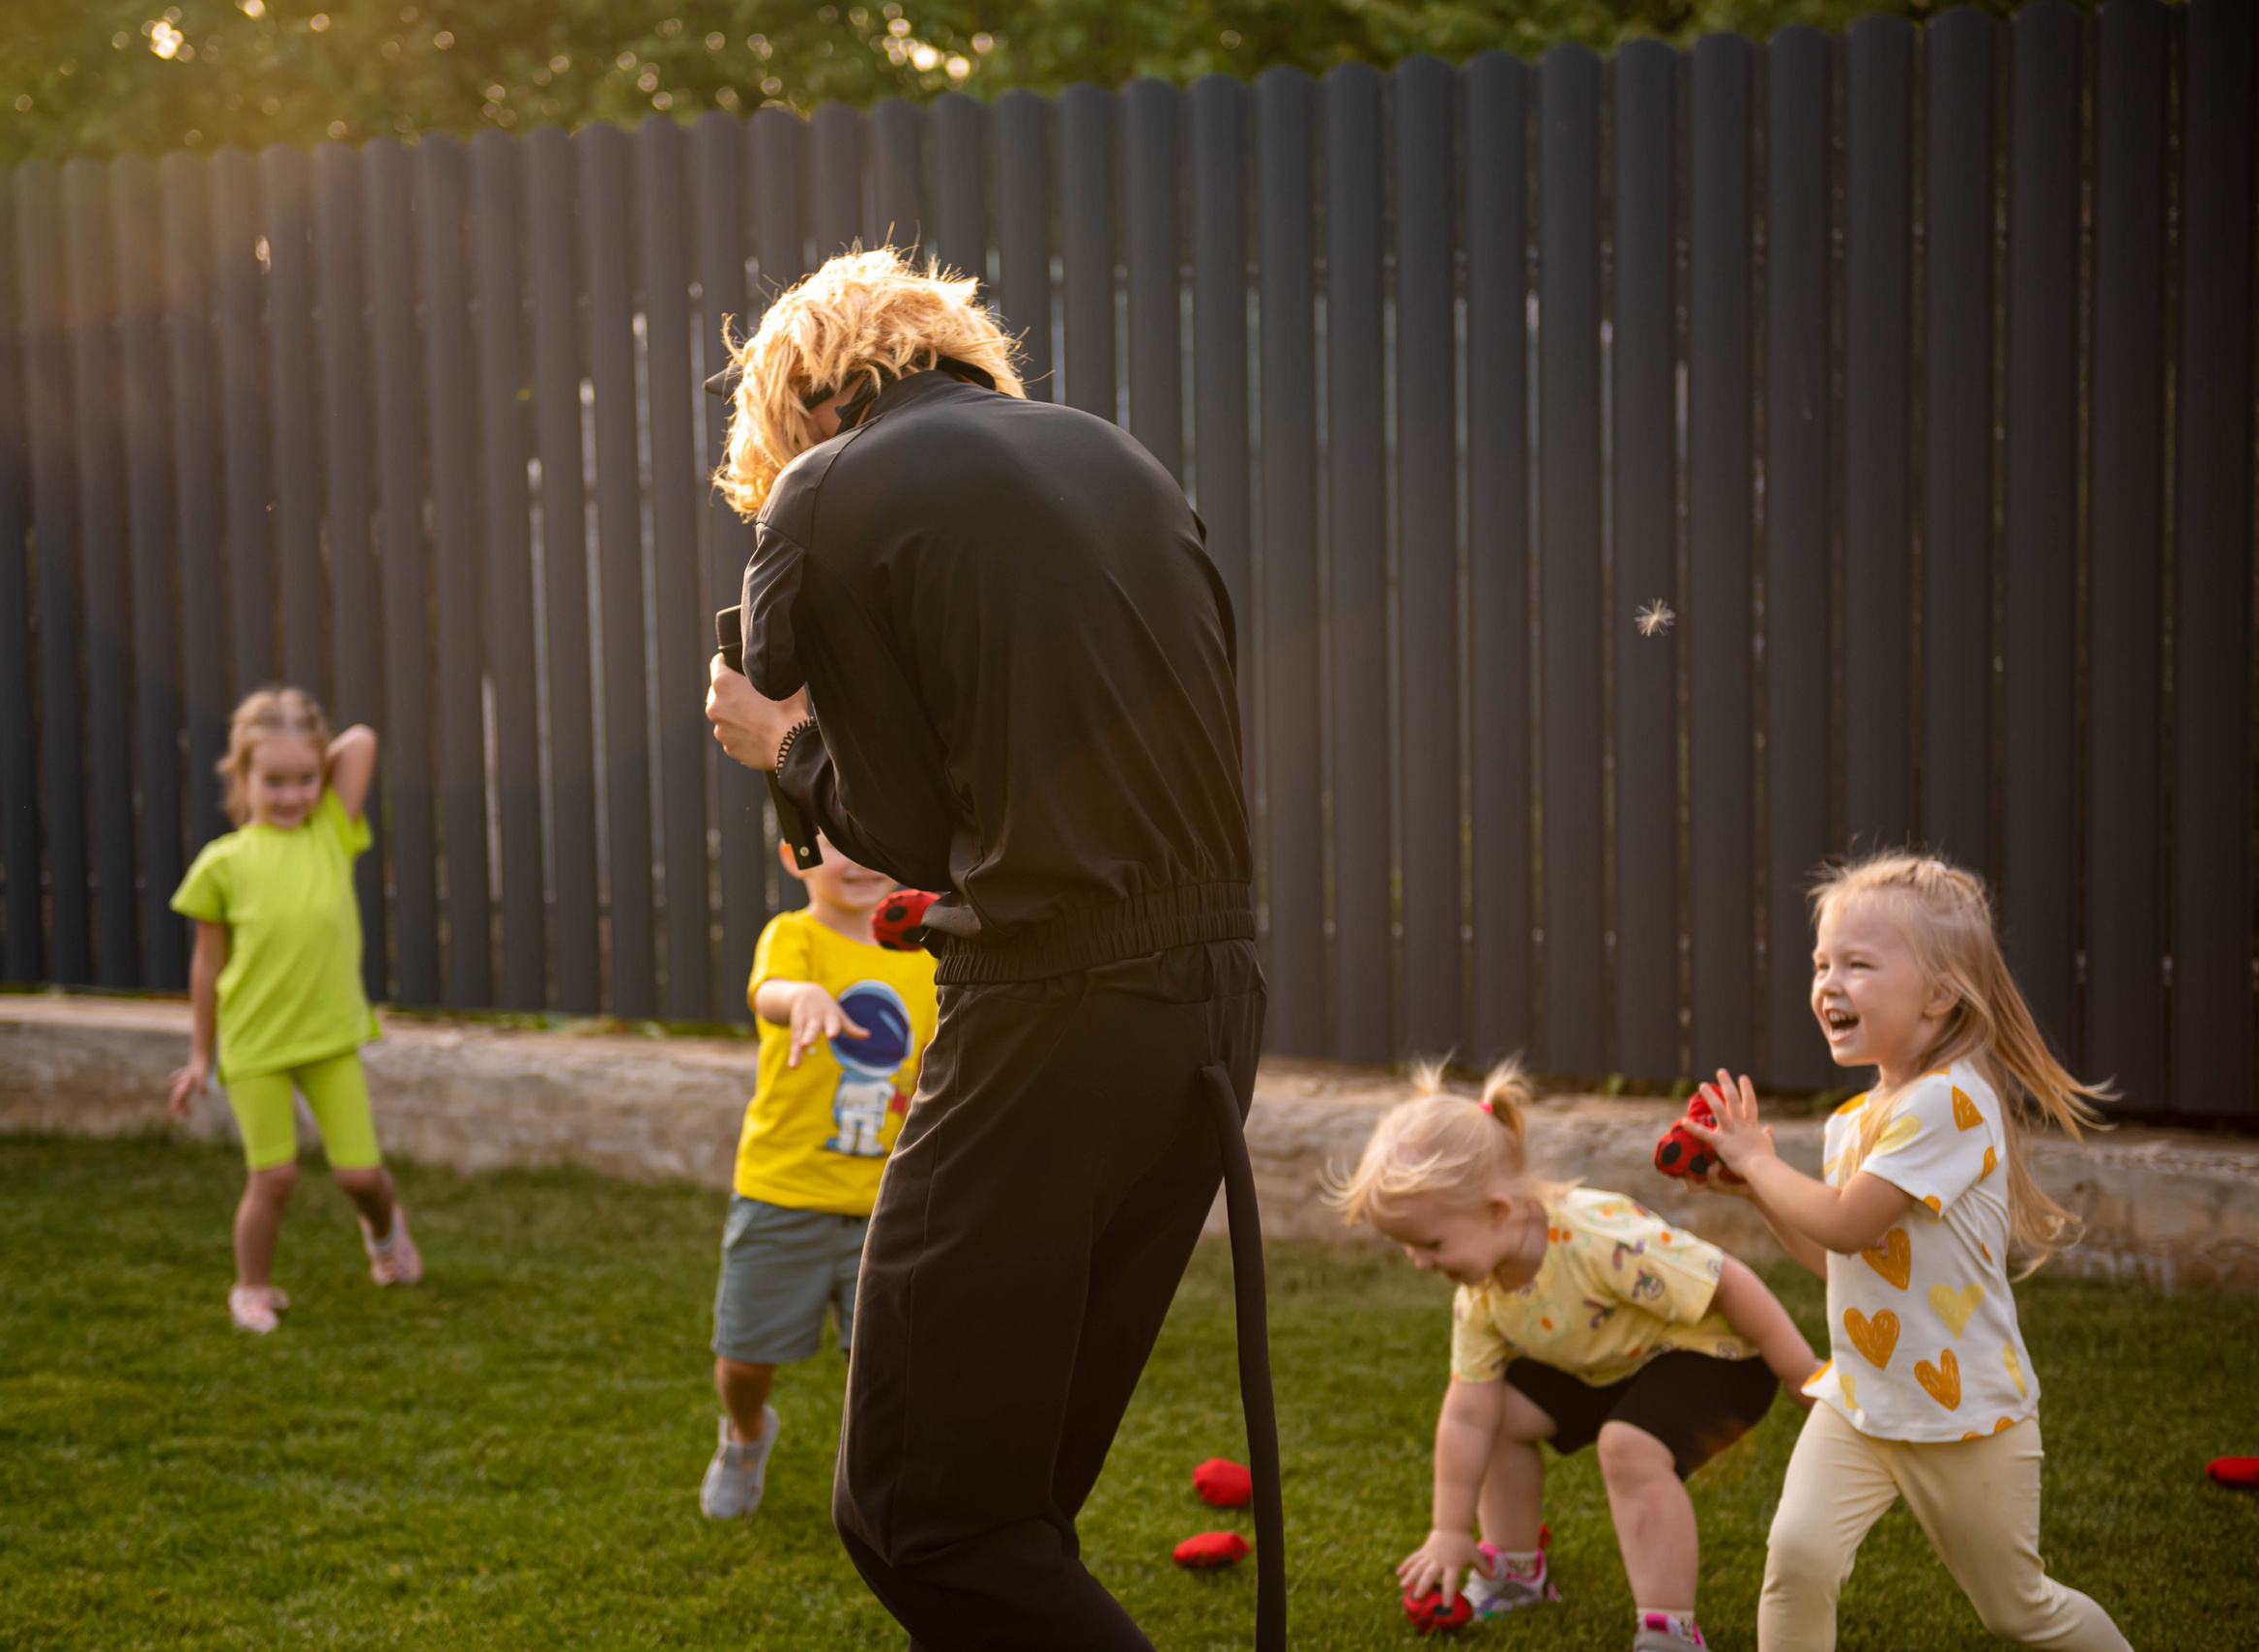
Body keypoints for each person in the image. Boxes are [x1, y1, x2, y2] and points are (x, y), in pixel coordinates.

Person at [702, 246, 1265, 1652]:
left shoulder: (827, 487)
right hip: (1213, 1001)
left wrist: (783, 745)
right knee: (1013, 1505)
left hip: (1052, 1004)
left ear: (804, 398)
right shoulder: (1115, 455)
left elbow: (901, 831)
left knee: (923, 1518)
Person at [1684, 853, 2131, 1651]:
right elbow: (1841, 1255)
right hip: (1863, 1397)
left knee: (2018, 1609)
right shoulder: (1852, 1121)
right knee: (1797, 1558)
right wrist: (1754, 1187)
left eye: (1858, 964)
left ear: (1939, 993)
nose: (1829, 983)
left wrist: (1759, 1161)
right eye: (1821, 963)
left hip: (1964, 1416)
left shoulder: (1951, 1102)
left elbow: (1847, 1223)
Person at [1331, 1058, 1819, 1652]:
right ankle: (1514, 1575)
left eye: (1430, 1243)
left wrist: (1802, 1373)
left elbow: (1728, 1281)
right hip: (1613, 1365)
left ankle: (1668, 1632)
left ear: (1498, 1211)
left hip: (1718, 1355)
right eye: (1407, 1246)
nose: (1418, 1261)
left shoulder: (1598, 1239)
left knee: (1627, 1445)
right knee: (1498, 1415)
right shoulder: (1480, 1295)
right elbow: (1467, 1414)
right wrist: (1449, 1529)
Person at [165, 686, 420, 1334]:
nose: (290, 795)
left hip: (329, 1038)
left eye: (305, 778)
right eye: (272, 780)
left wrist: (304, 753)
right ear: (242, 777)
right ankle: (251, 1288)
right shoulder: (222, 864)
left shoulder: (330, 829)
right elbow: (206, 967)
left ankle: (385, 1234)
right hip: (255, 1046)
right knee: (273, 1177)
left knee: (360, 1175)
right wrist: (200, 1054)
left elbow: (361, 740)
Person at [700, 833, 939, 1520]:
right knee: (745, 1359)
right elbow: (769, 992)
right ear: (792, 856)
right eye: (837, 843)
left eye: (872, 837)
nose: (859, 859)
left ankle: (883, 1481)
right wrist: (801, 996)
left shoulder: (929, 957)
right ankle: (745, 1433)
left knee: (888, 1366)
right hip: (783, 1192)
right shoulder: (794, 938)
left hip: (890, 1204)